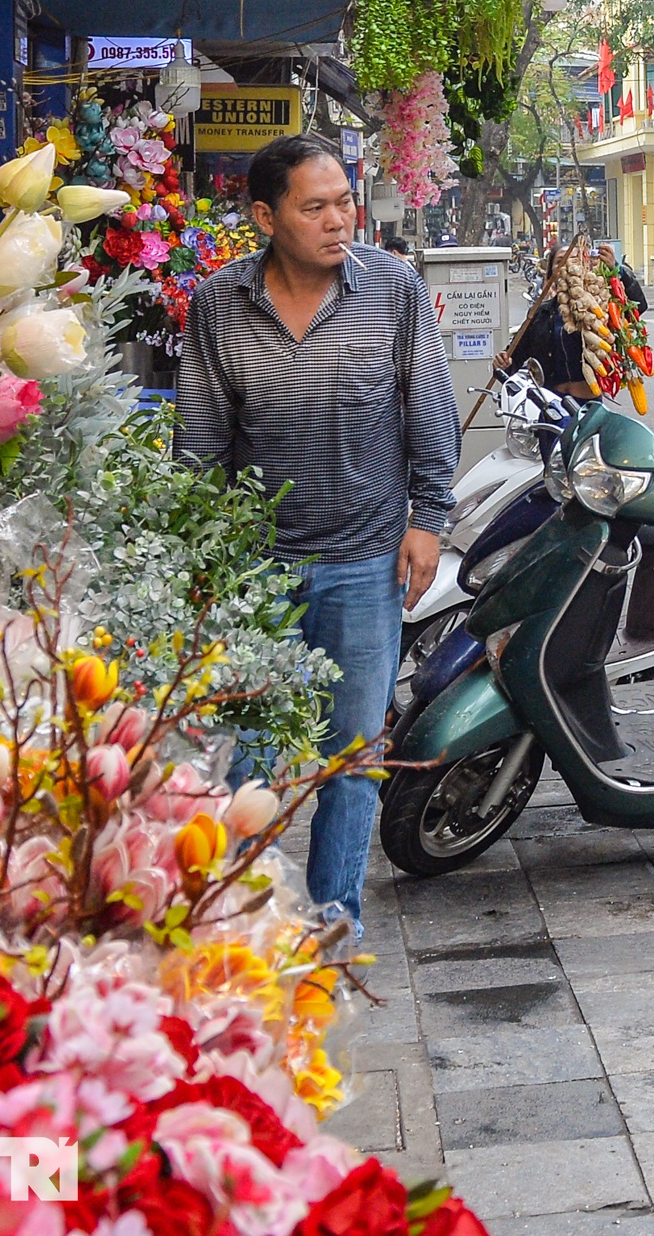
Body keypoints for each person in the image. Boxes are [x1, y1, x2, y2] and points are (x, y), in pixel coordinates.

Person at [175, 135, 460, 937]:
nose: (339, 220)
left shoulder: (393, 289)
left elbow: (428, 408)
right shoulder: (218, 306)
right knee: (254, 756)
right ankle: (242, 918)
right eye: (315, 207)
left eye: (344, 201)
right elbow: (199, 438)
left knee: (353, 758)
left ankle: (334, 918)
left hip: (365, 559)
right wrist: (200, 553)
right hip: (256, 568)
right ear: (266, 216)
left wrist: (428, 519)